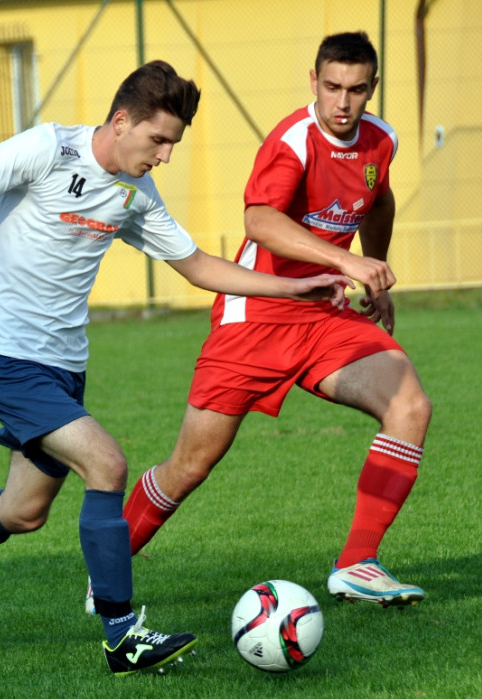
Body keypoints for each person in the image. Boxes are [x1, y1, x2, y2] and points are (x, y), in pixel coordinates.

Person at [0, 60, 350, 676]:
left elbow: (197, 266)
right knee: (107, 464)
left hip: (63, 364)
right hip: (1, 354)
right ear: (121, 121)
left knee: (22, 512)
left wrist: (297, 291)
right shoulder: (45, 149)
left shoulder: (135, 194)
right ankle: (122, 635)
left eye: (173, 143)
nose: (166, 155)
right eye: (159, 139)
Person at [111, 33, 432, 612]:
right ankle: (107, 573)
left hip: (324, 315)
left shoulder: (382, 140)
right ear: (314, 81)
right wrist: (345, 259)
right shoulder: (292, 140)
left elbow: (376, 200)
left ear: (372, 89)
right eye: (332, 87)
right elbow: (259, 221)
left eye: (356, 90)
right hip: (254, 317)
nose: (343, 102)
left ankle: (358, 564)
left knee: (410, 404)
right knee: (190, 465)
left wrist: (374, 274)